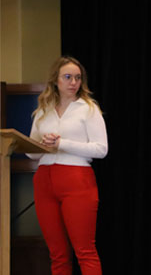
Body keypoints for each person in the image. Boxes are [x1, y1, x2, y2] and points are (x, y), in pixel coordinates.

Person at [26, 56, 108, 275]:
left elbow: (101, 149)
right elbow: (32, 152)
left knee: (84, 250)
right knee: (58, 254)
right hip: (44, 180)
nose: (73, 82)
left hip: (77, 179)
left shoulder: (88, 109)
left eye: (78, 78)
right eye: (68, 77)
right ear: (56, 80)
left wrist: (62, 143)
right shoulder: (43, 110)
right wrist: (41, 145)